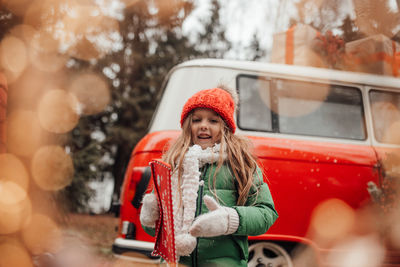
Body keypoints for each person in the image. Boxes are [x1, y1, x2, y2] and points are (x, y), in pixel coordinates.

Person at [140, 86, 278, 266]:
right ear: (188, 125)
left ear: (226, 127)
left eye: (213, 121)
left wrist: (231, 219)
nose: (204, 125)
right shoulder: (172, 164)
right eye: (197, 120)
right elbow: (157, 232)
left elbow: (266, 213)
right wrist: (151, 219)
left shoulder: (240, 164)